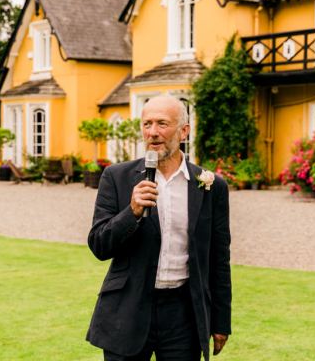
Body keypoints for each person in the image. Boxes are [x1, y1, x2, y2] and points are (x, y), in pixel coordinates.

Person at [86, 95, 231, 360]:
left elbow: (219, 259)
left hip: (182, 313)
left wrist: (221, 322)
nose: (153, 132)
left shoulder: (210, 185)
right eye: (147, 124)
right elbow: (99, 244)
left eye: (162, 124)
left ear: (184, 131)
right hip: (128, 308)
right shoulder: (116, 177)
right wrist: (131, 212)